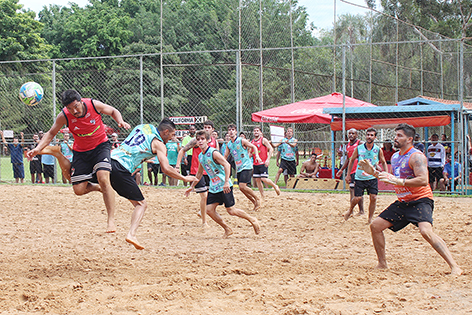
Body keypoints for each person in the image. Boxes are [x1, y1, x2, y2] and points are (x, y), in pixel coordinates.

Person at [37, 120, 196, 250]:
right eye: (173, 134)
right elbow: (165, 168)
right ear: (165, 132)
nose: (172, 138)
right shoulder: (160, 144)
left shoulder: (143, 126)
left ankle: (58, 154)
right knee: (141, 204)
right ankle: (132, 234)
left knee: (78, 187)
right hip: (121, 169)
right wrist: (184, 178)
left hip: (107, 160)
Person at [26, 89, 131, 233]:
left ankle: (111, 221)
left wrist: (120, 121)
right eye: (70, 108)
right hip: (81, 151)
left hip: (100, 146)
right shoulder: (64, 116)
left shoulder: (93, 105)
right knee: (79, 190)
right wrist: (38, 148)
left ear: (81, 101)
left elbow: (112, 111)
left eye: (76, 106)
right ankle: (94, 185)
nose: (74, 111)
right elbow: (51, 133)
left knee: (103, 178)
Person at [364, 123, 461, 276]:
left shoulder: (416, 156)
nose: (395, 138)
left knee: (425, 232)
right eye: (396, 135)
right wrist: (374, 172)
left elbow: (423, 180)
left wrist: (400, 182)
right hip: (403, 202)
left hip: (420, 199)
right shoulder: (395, 156)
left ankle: (454, 266)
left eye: (399, 136)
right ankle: (382, 264)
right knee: (375, 226)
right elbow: (391, 178)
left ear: (409, 139)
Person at [185, 130, 260, 238]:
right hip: (214, 187)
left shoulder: (213, 152)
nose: (200, 141)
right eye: (198, 139)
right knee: (209, 210)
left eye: (202, 139)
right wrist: (191, 187)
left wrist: (226, 182)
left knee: (231, 210)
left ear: (208, 140)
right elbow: (199, 173)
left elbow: (227, 165)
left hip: (224, 185)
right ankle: (227, 229)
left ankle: (252, 219)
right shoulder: (201, 156)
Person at [176, 120, 219, 226]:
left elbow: (217, 156)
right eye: (205, 127)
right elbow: (182, 150)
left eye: (209, 127)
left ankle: (202, 211)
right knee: (204, 196)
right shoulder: (197, 141)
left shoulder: (214, 141)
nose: (207, 129)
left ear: (213, 129)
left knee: (211, 195)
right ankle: (204, 221)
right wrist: (177, 166)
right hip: (197, 171)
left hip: (210, 172)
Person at [344, 127, 388, 223]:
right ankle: (350, 209)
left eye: (372, 135)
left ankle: (370, 218)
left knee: (374, 197)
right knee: (357, 197)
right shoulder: (359, 148)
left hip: (372, 177)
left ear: (375, 137)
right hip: (360, 177)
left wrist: (386, 174)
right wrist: (348, 175)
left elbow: (383, 162)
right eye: (368, 135)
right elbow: (351, 161)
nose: (369, 137)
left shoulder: (378, 149)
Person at [225, 124, 262, 211]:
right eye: (229, 130)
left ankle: (257, 198)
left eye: (233, 129)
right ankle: (254, 202)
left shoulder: (241, 140)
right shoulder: (229, 144)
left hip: (247, 165)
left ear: (236, 131)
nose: (231, 131)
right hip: (239, 167)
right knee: (241, 188)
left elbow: (253, 146)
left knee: (242, 186)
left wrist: (256, 156)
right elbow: (225, 156)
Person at [336, 128, 364, 215]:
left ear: (357, 135)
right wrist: (341, 169)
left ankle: (361, 210)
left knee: (357, 190)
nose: (351, 135)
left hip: (359, 170)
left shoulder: (360, 143)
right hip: (351, 170)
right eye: (350, 133)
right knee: (352, 189)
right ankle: (352, 210)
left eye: (353, 133)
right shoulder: (348, 145)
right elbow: (348, 159)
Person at [251, 126, 280, 198]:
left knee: (263, 178)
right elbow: (251, 152)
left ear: (260, 132)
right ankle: (262, 195)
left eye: (257, 131)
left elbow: (271, 149)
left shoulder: (263, 140)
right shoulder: (252, 142)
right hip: (255, 163)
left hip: (263, 162)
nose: (256, 132)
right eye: (255, 131)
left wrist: (268, 159)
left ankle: (275, 186)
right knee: (257, 179)